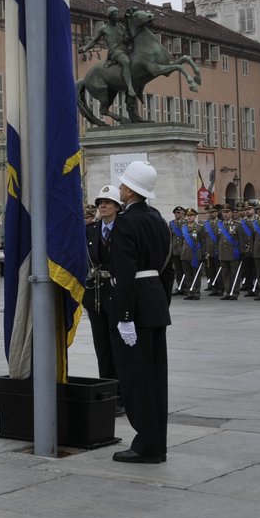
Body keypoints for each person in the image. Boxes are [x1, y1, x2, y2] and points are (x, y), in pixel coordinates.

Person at [108, 161, 172, 464]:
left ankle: (146, 444)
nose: (119, 189)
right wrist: (161, 304)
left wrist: (124, 317)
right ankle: (157, 442)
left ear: (130, 191)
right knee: (157, 378)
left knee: (136, 379)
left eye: (122, 185)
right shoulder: (158, 219)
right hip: (155, 303)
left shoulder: (125, 223)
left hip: (135, 306)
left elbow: (124, 273)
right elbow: (167, 269)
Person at [83, 185, 121, 406]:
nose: (103, 206)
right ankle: (107, 391)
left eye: (107, 202)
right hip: (96, 296)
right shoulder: (91, 230)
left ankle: (122, 394)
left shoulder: (125, 229)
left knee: (119, 347)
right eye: (100, 203)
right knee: (102, 347)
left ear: (117, 206)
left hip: (117, 293)